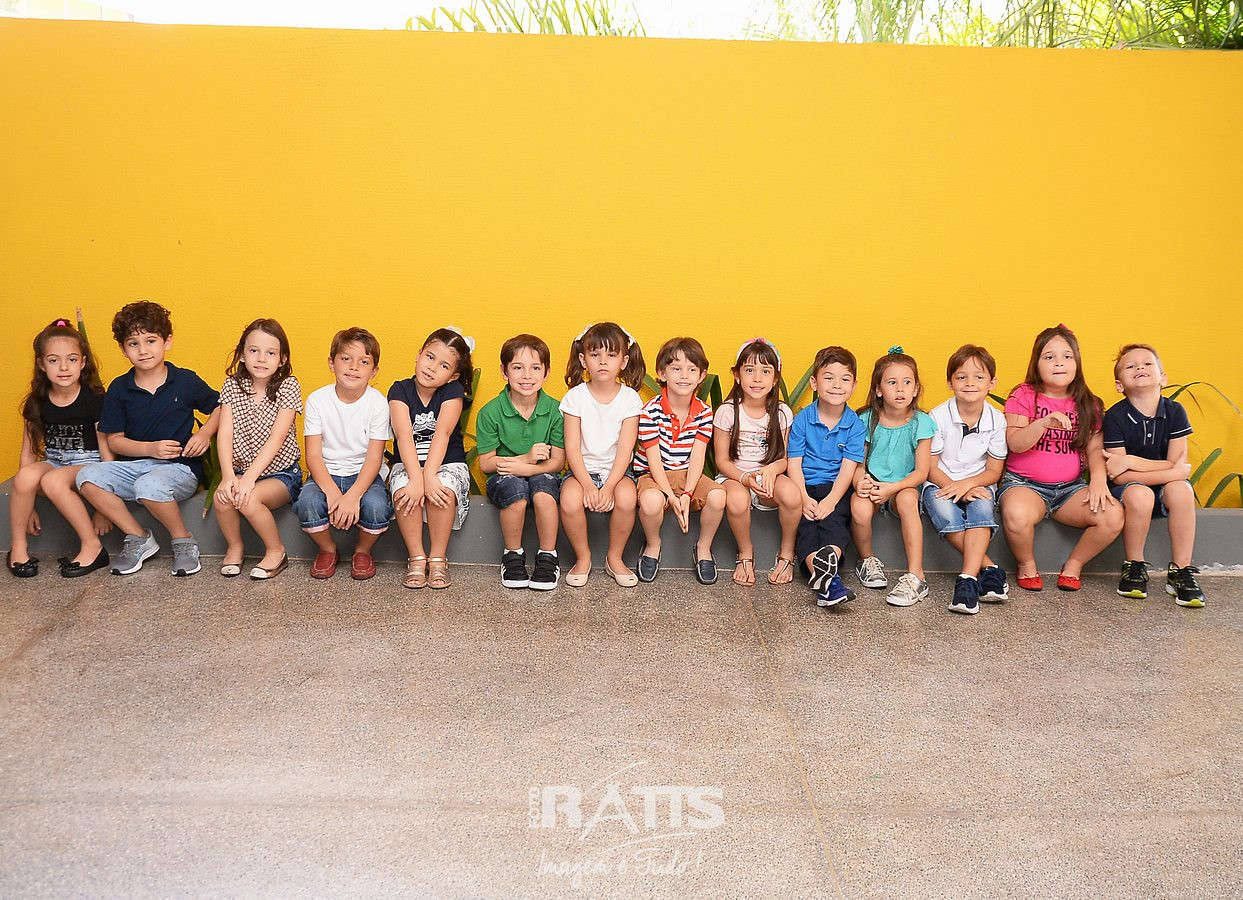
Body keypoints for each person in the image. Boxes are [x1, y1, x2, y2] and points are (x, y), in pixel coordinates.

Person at [76, 301, 220, 577]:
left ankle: (183, 540)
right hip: (134, 467)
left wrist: (205, 433)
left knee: (149, 485)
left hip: (179, 469)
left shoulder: (185, 380)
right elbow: (115, 441)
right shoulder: (120, 388)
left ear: (167, 342)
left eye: (151, 341)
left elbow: (221, 405)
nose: (143, 350)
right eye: (133, 343)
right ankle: (138, 537)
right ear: (123, 349)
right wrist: (149, 448)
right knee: (87, 476)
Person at [1000, 324, 1123, 591]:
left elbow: (1094, 449)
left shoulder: (1089, 403)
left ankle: (1074, 565)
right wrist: (1043, 423)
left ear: (1077, 363)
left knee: (1112, 515)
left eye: (1067, 356)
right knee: (1017, 515)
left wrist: (1098, 480)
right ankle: (1026, 564)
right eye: (1049, 357)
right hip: (1025, 485)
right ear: (1037, 363)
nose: (1059, 363)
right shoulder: (1023, 394)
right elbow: (1015, 443)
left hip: (1071, 490)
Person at [9, 319, 112, 578]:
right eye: (54, 360)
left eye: (72, 359)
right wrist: (27, 505)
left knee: (53, 481)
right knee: (25, 476)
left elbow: (107, 452)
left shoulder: (95, 401)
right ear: (41, 364)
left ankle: (92, 546)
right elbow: (28, 453)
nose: (64, 367)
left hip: (88, 466)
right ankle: (18, 547)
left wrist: (104, 508)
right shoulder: (37, 402)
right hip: (55, 462)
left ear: (83, 362)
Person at [1104, 343, 1204, 607]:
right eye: (1131, 365)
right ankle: (1134, 565)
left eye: (1147, 363)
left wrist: (1131, 462)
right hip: (1131, 489)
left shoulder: (1175, 411)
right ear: (1119, 385)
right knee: (1141, 494)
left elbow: (1176, 465)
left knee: (1182, 489)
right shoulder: (1115, 416)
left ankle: (1181, 570)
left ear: (1163, 378)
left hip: (1165, 485)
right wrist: (1169, 471)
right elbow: (1119, 476)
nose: (1140, 367)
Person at [295, 327, 392, 581]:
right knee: (307, 502)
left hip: (364, 474)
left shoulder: (378, 403)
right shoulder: (317, 400)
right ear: (331, 363)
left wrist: (353, 496)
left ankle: (363, 551)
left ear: (374, 371)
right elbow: (313, 456)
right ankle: (328, 549)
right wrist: (333, 493)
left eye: (363, 362)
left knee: (377, 506)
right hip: (325, 473)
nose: (353, 367)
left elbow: (374, 458)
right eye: (346, 359)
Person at [921, 345, 1009, 615]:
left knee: (982, 511)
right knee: (946, 513)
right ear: (950, 383)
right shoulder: (937, 416)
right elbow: (930, 467)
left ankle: (967, 579)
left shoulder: (997, 419)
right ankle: (989, 568)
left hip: (979, 482)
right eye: (961, 377)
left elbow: (994, 471)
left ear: (992, 383)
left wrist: (968, 485)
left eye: (979, 377)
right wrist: (955, 487)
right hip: (939, 480)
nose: (970, 383)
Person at [213, 318, 303, 580]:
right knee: (222, 497)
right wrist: (228, 476)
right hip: (242, 471)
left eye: (271, 353)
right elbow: (225, 433)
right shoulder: (232, 386)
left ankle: (276, 551)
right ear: (242, 354)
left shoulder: (288, 386)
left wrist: (250, 479)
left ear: (282, 359)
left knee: (249, 498)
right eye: (254, 351)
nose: (261, 359)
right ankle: (235, 547)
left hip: (281, 475)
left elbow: (277, 438)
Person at [633, 337, 726, 585]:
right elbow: (654, 461)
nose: (684, 376)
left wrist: (687, 494)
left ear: (701, 376)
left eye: (692, 369)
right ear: (662, 373)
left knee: (718, 496)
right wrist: (671, 497)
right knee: (651, 502)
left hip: (687, 474)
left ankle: (703, 548)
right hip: (654, 475)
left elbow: (697, 457)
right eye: (676, 368)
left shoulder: (704, 412)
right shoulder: (649, 411)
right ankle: (653, 545)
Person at [476, 334, 566, 591]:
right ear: (504, 372)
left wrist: (525, 468)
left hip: (543, 472)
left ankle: (548, 556)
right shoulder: (490, 412)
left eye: (535, 368)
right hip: (504, 476)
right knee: (515, 492)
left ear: (546, 373)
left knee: (544, 492)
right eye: (517, 367)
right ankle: (513, 555)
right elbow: (486, 464)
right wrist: (524, 459)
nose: (527, 376)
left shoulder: (556, 411)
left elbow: (558, 462)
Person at [388, 327, 476, 590]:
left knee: (442, 489)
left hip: (447, 462)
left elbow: (443, 433)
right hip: (408, 462)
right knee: (404, 490)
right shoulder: (400, 390)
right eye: (429, 357)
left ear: (453, 375)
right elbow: (403, 435)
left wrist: (428, 476)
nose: (432, 367)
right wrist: (416, 478)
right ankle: (416, 556)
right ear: (418, 355)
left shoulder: (452, 392)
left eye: (444, 365)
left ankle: (438, 557)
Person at [559, 322, 645, 587]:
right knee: (569, 499)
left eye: (611, 355)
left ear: (624, 361)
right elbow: (572, 448)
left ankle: (614, 558)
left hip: (617, 472)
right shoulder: (575, 398)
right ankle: (583, 557)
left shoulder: (630, 399)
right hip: (581, 471)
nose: (603, 361)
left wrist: (608, 487)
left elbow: (625, 450)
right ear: (583, 360)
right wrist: (587, 485)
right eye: (595, 355)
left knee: (627, 498)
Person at [851, 346, 936, 607]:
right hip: (874, 482)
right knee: (859, 507)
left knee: (908, 500)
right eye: (892, 383)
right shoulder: (866, 419)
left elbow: (921, 472)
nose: (900, 389)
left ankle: (916, 575)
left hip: (904, 485)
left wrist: (893, 488)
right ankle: (867, 560)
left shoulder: (921, 422)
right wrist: (860, 481)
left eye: (907, 382)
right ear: (878, 389)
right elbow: (858, 464)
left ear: (916, 388)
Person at [713, 338, 801, 587]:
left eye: (765, 371)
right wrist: (744, 478)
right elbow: (721, 461)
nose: (757, 378)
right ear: (737, 375)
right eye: (750, 370)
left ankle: (787, 552)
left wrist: (772, 470)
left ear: (775, 379)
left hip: (768, 477)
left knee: (792, 495)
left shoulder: (782, 413)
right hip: (734, 476)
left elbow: (784, 458)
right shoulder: (727, 411)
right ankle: (745, 553)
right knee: (738, 500)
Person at [786, 346, 867, 608]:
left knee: (835, 524)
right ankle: (829, 581)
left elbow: (848, 468)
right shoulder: (802, 420)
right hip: (805, 486)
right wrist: (803, 497)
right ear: (814, 383)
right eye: (829, 378)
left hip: (836, 487)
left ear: (854, 386)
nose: (836, 385)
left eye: (844, 379)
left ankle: (826, 579)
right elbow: (794, 463)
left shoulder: (855, 425)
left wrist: (831, 500)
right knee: (807, 528)